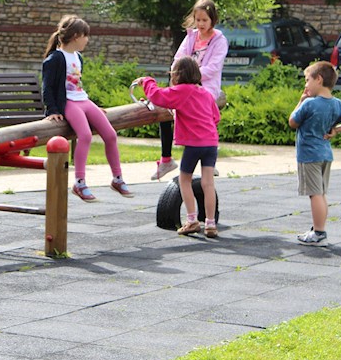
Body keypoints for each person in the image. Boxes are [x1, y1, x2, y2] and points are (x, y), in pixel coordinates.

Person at [42, 15, 131, 203]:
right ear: (75, 36)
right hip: (69, 103)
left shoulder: (78, 57)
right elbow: (47, 87)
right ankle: (79, 182)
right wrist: (53, 110)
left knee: (110, 135)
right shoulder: (55, 59)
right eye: (85, 36)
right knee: (85, 136)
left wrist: (94, 108)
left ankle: (117, 178)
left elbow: (77, 85)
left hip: (83, 100)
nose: (87, 40)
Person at [135, 56, 221, 237]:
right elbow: (216, 117)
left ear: (177, 75)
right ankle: (210, 224)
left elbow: (157, 96)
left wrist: (147, 81)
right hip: (211, 143)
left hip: (194, 144)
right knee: (207, 183)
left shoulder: (181, 91)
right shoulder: (205, 93)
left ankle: (192, 220)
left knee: (184, 180)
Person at [288, 61, 341, 246]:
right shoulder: (337, 104)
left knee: (315, 194)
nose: (306, 85)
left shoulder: (310, 104)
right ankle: (317, 228)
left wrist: (300, 101)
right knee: (320, 193)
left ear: (319, 80)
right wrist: (337, 130)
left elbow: (292, 122)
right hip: (325, 154)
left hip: (309, 155)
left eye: (307, 80)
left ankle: (319, 233)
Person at [154, 0, 228, 181]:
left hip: (205, 86)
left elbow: (213, 67)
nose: (200, 24)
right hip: (185, 85)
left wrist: (192, 77)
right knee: (164, 106)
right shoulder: (191, 37)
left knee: (201, 114)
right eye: (198, 20)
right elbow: (178, 59)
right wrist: (177, 75)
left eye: (204, 20)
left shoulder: (219, 41)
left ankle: (209, 158)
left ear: (213, 20)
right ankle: (166, 158)